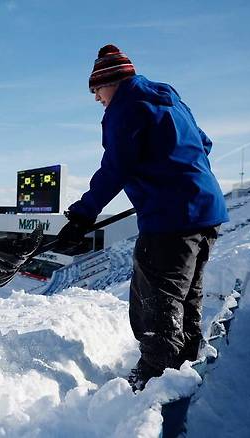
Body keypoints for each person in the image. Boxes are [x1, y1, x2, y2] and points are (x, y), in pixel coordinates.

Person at [58, 44, 229, 391]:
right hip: (205, 211)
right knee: (187, 297)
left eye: (96, 89)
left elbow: (116, 167)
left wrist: (82, 215)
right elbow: (204, 143)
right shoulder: (168, 96)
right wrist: (168, 175)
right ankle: (185, 366)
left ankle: (154, 381)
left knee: (156, 301)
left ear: (112, 81)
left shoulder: (126, 108)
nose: (96, 98)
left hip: (170, 221)